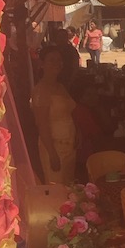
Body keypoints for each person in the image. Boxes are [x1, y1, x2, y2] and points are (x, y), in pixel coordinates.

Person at [31, 45, 77, 184]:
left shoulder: (61, 87)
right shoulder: (40, 90)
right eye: (52, 60)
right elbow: (42, 124)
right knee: (57, 188)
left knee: (69, 189)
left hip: (69, 146)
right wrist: (52, 154)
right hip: (54, 148)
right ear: (42, 64)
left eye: (59, 60)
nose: (57, 64)